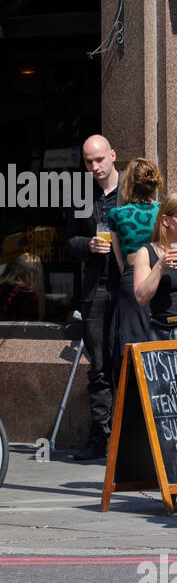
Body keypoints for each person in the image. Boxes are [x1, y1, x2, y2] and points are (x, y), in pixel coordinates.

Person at [66, 134, 121, 460]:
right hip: (95, 288)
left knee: (127, 364)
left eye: (99, 159)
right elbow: (69, 239)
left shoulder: (132, 195)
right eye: (89, 161)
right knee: (99, 366)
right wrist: (87, 245)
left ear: (113, 156)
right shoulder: (82, 195)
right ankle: (100, 438)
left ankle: (128, 440)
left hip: (128, 287)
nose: (95, 166)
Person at [109, 157, 164, 379]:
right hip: (163, 273)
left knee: (132, 340)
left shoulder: (117, 215)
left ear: (129, 183)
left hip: (132, 277)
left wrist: (130, 273)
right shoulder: (163, 213)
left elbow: (119, 258)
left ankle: (132, 397)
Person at [133, 193, 177, 341]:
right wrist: (160, 266)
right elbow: (141, 297)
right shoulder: (146, 253)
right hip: (161, 333)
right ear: (165, 220)